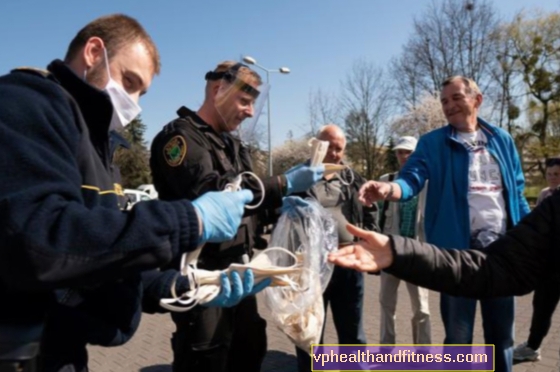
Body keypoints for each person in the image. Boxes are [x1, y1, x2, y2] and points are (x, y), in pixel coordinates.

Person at [0, 15, 267, 372]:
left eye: (142, 92)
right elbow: (40, 239)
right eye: (129, 81)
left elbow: (99, 253)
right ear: (94, 52)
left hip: (60, 350)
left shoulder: (97, 145)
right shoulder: (27, 102)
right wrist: (192, 219)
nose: (134, 103)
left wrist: (182, 286)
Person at [149, 60, 324, 372]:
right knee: (206, 356)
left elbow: (251, 203)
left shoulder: (233, 144)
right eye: (244, 101)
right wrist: (281, 184)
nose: (250, 112)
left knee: (250, 345)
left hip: (239, 271)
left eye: (253, 103)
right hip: (202, 276)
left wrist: (284, 203)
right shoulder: (181, 139)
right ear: (218, 91)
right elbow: (215, 196)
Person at [355, 75, 530, 372]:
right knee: (459, 339)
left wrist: (532, 238)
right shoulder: (433, 143)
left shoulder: (502, 139)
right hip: (456, 256)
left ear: (477, 99)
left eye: (456, 98)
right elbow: (411, 179)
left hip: (502, 255)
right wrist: (389, 190)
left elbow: (518, 193)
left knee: (502, 339)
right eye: (444, 101)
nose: (449, 106)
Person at [294, 124, 377, 372]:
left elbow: (371, 211)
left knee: (353, 333)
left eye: (339, 149)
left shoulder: (352, 178)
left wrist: (365, 243)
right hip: (312, 267)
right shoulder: (298, 178)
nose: (334, 153)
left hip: (348, 264)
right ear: (316, 145)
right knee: (311, 335)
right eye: (328, 146)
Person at [377, 136, 431, 345]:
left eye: (408, 152)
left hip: (417, 253)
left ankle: (423, 352)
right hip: (390, 252)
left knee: (422, 308)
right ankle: (386, 349)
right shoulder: (386, 180)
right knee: (386, 304)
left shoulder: (427, 183)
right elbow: (376, 215)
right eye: (400, 152)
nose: (404, 156)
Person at [513, 157, 560, 362]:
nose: (552, 178)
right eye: (549, 174)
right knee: (541, 307)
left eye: (557, 174)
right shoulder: (544, 196)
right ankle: (533, 347)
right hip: (547, 264)